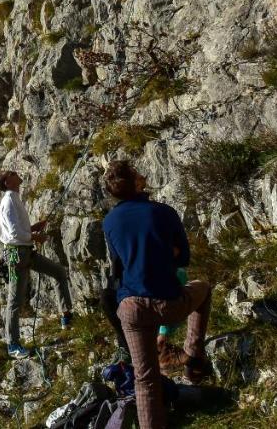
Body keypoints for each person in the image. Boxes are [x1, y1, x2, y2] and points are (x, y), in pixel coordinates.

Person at [101, 160, 214, 429]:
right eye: (138, 172)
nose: (143, 174)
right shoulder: (163, 212)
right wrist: (165, 254)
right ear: (136, 182)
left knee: (145, 377)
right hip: (166, 301)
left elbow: (117, 265)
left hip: (130, 307)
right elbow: (183, 257)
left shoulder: (110, 221)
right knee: (203, 288)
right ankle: (193, 358)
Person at [0, 170, 74, 358]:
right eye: (13, 174)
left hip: (25, 253)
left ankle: (66, 316)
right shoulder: (8, 201)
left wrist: (33, 229)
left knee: (59, 272)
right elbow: (14, 235)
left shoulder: (14, 198)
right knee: (15, 301)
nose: (17, 174)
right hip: (17, 255)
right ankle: (12, 345)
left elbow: (16, 231)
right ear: (7, 182)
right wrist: (35, 236)